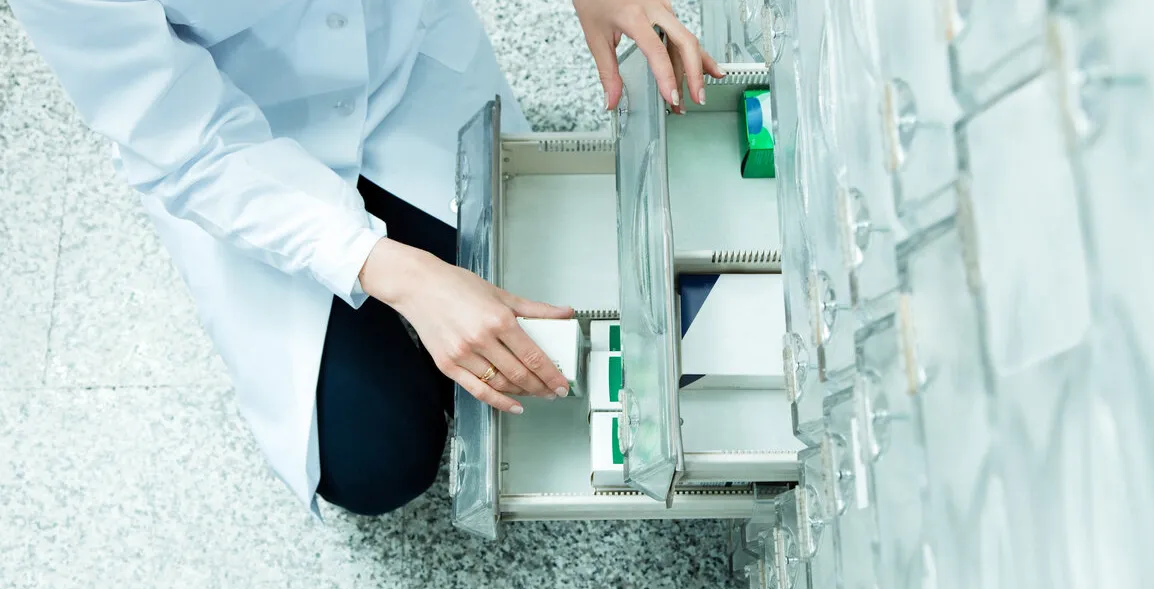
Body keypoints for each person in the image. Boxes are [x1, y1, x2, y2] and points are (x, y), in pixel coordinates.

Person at [8, 0, 720, 517]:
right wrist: (400, 272)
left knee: (563, 299)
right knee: (375, 463)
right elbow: (181, 140)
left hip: (405, 65)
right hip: (245, 145)